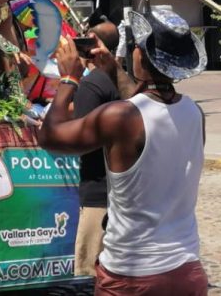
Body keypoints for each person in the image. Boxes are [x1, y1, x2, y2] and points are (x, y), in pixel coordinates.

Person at [39, 7, 208, 295]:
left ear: (139, 55)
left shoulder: (119, 117)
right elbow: (149, 109)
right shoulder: (195, 112)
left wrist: (69, 80)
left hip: (133, 275)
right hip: (186, 271)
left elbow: (51, 136)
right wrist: (112, 69)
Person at [72, 19, 122, 278]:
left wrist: (69, 79)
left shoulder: (91, 85)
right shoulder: (125, 82)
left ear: (93, 42)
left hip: (97, 194)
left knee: (90, 274)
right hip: (123, 195)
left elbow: (79, 140)